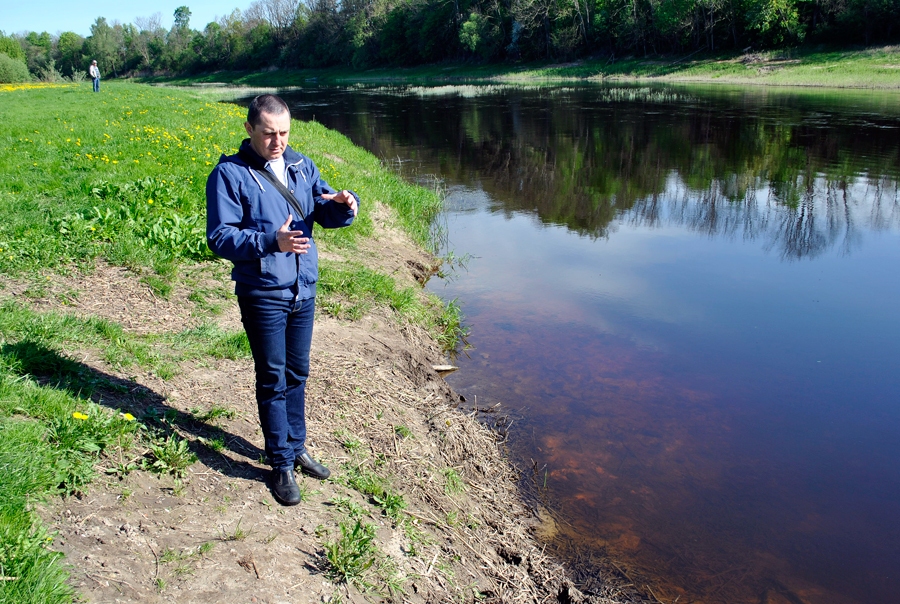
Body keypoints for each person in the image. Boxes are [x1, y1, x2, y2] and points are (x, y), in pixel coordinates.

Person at [206, 94, 359, 506]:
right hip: (262, 292)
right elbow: (220, 237)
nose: (278, 142)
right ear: (249, 130)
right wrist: (272, 241)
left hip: (302, 288)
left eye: (284, 133)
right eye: (269, 134)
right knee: (272, 377)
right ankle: (280, 465)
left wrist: (347, 205)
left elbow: (325, 211)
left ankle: (297, 447)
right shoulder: (230, 174)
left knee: (298, 372)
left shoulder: (301, 165)